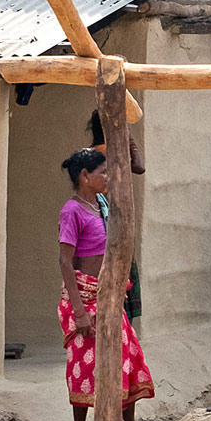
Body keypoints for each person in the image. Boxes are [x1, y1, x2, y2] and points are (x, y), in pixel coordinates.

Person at [58, 148, 158, 421]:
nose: (108, 178)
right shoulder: (71, 211)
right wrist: (79, 313)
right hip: (85, 299)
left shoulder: (101, 205)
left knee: (126, 361)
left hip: (110, 297)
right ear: (85, 177)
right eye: (102, 172)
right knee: (85, 367)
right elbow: (65, 261)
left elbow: (135, 169)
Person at [85, 112, 144, 322]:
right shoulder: (113, 152)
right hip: (109, 222)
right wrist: (129, 140)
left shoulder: (91, 153)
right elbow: (139, 166)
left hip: (101, 221)